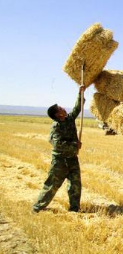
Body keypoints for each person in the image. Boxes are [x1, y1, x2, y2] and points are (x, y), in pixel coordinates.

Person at [32, 85, 85, 213]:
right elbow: (57, 144)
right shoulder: (55, 127)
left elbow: (77, 108)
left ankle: (74, 209)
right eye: (60, 108)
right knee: (51, 186)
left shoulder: (69, 119)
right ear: (58, 114)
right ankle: (37, 208)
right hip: (60, 162)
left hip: (72, 159)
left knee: (75, 186)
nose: (63, 108)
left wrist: (80, 94)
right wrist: (74, 145)